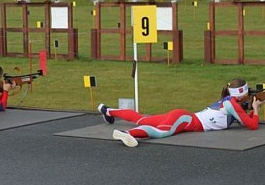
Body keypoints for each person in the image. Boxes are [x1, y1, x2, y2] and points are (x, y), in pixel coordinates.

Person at [97, 78, 264, 147]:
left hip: (184, 117)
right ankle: (127, 133)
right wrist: (255, 110)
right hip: (187, 120)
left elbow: (243, 120)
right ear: (241, 93)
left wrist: (254, 109)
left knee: (143, 119)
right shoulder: (232, 104)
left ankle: (108, 110)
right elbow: (252, 125)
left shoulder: (230, 102)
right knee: (162, 132)